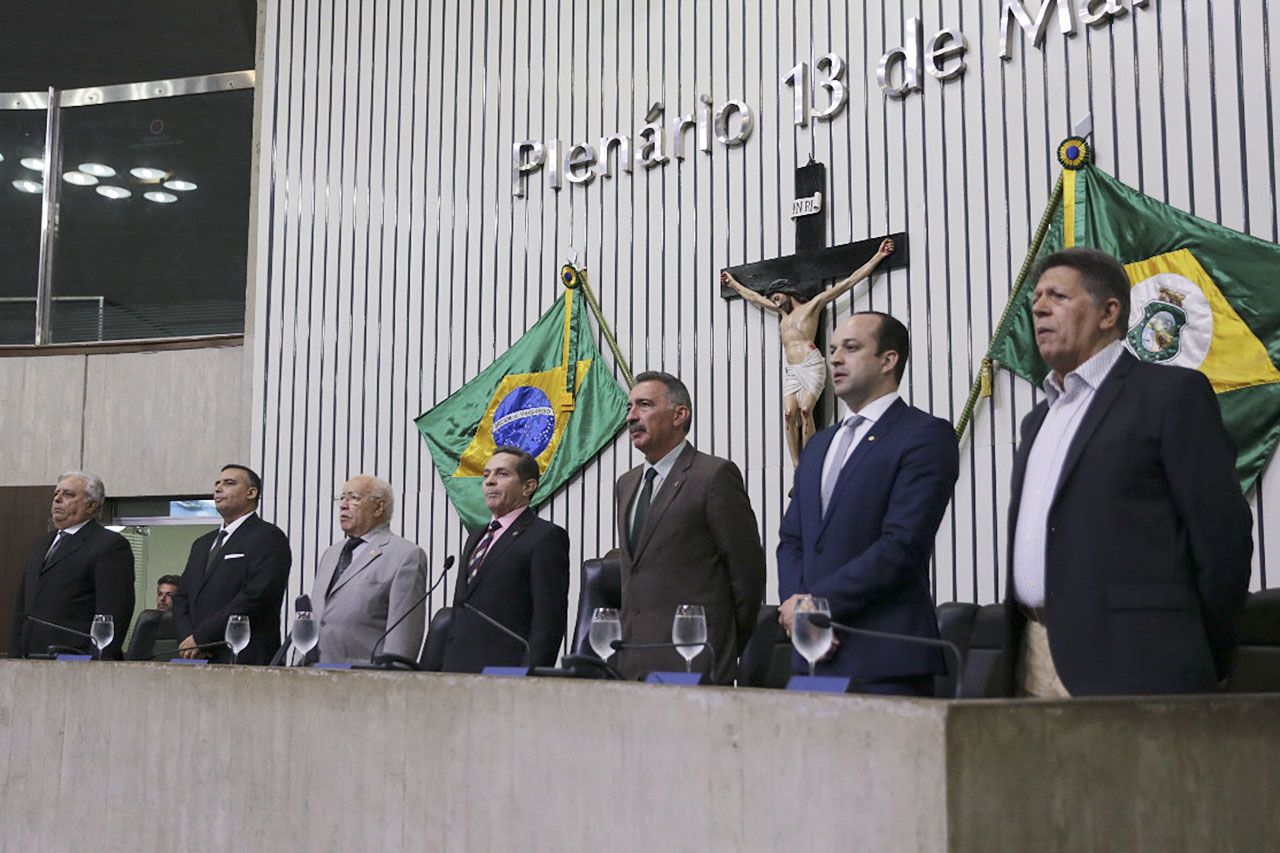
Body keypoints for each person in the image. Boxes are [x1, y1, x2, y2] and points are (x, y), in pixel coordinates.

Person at [1003, 247, 1253, 697]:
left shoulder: (1170, 396)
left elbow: (1222, 537)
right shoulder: (1036, 420)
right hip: (1031, 658)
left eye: (1058, 296)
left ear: (1108, 313)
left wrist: (1212, 655)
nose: (1038, 308)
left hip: (1135, 662)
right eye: (1036, 298)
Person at [777, 313, 958, 696]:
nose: (835, 358)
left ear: (888, 360)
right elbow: (792, 539)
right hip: (811, 654)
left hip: (884, 658)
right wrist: (799, 609)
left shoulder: (925, 435)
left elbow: (902, 545)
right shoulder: (818, 445)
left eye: (851, 348)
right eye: (832, 349)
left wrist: (818, 605)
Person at [615, 371, 766, 684]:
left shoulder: (713, 475)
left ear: (679, 415)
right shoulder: (627, 484)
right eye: (629, 408)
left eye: (644, 405)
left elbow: (747, 572)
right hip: (632, 660)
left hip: (695, 659)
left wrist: (725, 644)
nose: (631, 417)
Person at [721, 238, 895, 467]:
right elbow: (754, 297)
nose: (776, 303)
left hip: (810, 364)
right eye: (773, 300)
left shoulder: (812, 306)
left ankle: (809, 460)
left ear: (786, 292)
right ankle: (796, 464)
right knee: (788, 414)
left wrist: (879, 256)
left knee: (805, 410)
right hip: (792, 370)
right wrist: (733, 283)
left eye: (777, 297)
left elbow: (849, 282)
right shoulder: (782, 314)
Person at [441, 447, 569, 672]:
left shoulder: (545, 537)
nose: (489, 481)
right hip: (457, 669)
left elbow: (548, 620)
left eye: (502, 474)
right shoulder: (476, 537)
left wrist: (530, 676)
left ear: (528, 487)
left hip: (505, 672)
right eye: (486, 475)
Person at [172, 464, 292, 665]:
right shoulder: (201, 544)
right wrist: (188, 642)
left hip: (244, 657)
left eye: (228, 483)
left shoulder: (268, 537)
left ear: (251, 493)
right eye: (217, 484)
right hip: (196, 657)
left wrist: (203, 638)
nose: (218, 488)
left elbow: (256, 597)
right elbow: (182, 597)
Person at [9, 471, 135, 659]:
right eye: (56, 494)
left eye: (68, 494)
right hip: (30, 658)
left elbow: (113, 613)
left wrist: (100, 662)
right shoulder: (42, 544)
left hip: (76, 658)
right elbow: (23, 608)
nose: (57, 499)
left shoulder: (109, 545)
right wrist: (14, 656)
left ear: (91, 505)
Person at [311, 475, 428, 665]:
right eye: (341, 498)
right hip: (315, 671)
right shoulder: (331, 553)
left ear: (378, 507)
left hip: (365, 675)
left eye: (353, 498)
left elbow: (403, 636)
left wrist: (396, 674)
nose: (343, 505)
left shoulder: (405, 555)